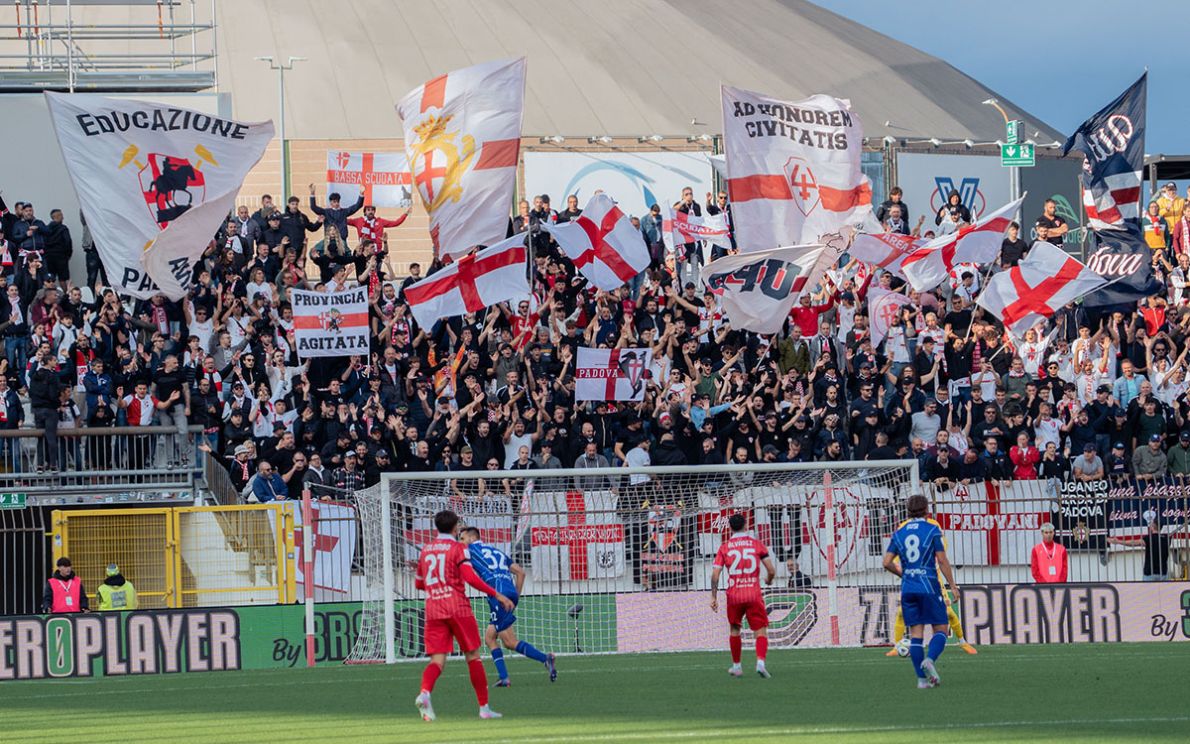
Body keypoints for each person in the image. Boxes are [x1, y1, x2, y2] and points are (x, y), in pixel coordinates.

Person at [414, 510, 515, 722]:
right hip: (457, 607)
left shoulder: (426, 551)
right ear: (455, 528)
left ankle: (424, 693)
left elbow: (419, 584)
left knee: (438, 660)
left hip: (433, 608)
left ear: (436, 527)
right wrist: (497, 594)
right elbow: (470, 578)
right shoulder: (459, 548)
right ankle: (484, 708)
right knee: (473, 656)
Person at [459, 527, 556, 686]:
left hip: (497, 594)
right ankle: (504, 677)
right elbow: (520, 572)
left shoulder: (469, 549)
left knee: (509, 641)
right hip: (509, 591)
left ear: (471, 538)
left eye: (462, 538)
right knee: (491, 637)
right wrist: (515, 597)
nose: (460, 542)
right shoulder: (497, 552)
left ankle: (545, 659)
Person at [882, 494, 960, 688]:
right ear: (927, 510)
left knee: (916, 634)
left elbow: (886, 562)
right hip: (929, 586)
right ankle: (930, 659)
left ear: (908, 511)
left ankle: (922, 680)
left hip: (908, 588)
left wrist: (905, 574)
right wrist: (952, 586)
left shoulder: (899, 533)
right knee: (941, 629)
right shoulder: (932, 529)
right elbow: (941, 560)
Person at [710, 513, 776, 679]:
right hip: (753, 594)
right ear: (746, 526)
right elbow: (771, 569)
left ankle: (737, 666)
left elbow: (715, 575)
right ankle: (760, 663)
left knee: (734, 629)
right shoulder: (756, 545)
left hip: (734, 595)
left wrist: (713, 597)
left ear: (730, 528)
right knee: (760, 630)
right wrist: (768, 580)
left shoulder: (724, 548)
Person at [1108, 516, 1172, 581]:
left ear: (1152, 526)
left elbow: (1134, 543)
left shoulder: (1148, 538)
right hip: (1163, 573)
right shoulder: (1167, 539)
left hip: (1149, 573)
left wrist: (1119, 541)